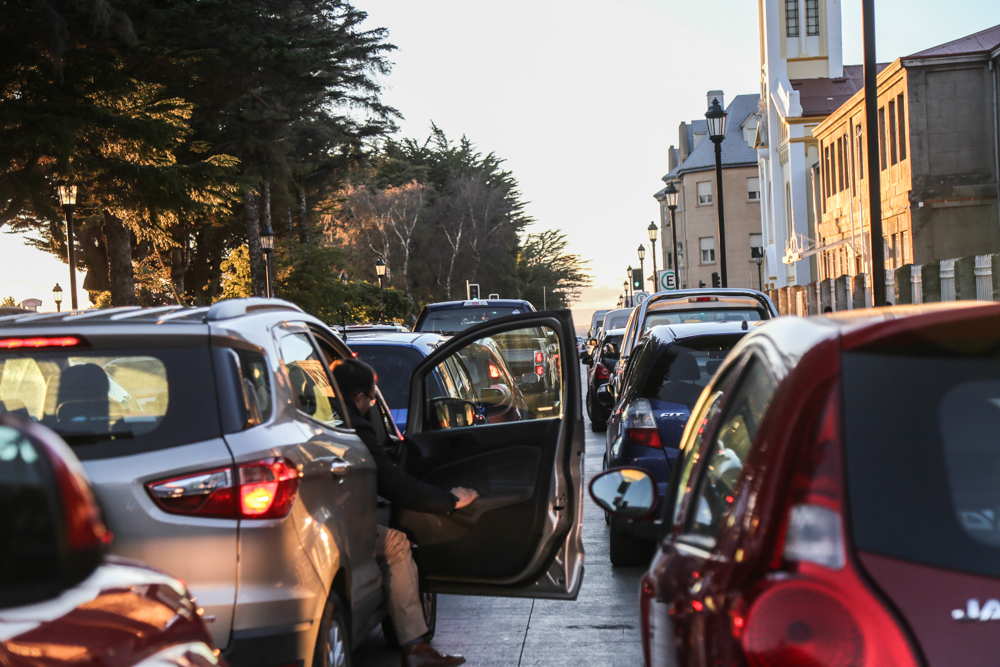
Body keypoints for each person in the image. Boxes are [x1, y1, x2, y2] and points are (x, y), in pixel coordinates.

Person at [332, 358, 478, 667]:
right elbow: (396, 485)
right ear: (359, 398)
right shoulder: (355, 428)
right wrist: (449, 501)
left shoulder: (320, 419)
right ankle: (414, 649)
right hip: (334, 530)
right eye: (373, 399)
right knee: (397, 544)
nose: (372, 405)